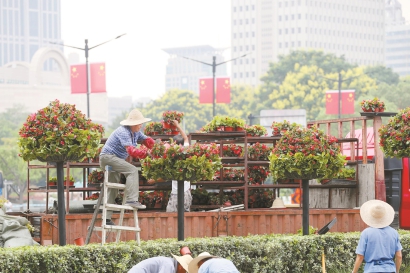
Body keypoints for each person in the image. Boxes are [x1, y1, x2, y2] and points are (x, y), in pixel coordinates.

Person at [99, 109, 151, 225]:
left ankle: (106, 218)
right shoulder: (123, 131)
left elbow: (146, 140)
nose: (141, 125)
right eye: (139, 123)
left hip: (114, 159)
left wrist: (156, 145)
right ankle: (132, 200)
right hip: (107, 158)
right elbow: (131, 151)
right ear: (132, 124)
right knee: (132, 170)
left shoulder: (136, 132)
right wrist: (146, 153)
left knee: (113, 188)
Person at [351, 199, 402, 273]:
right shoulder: (394, 233)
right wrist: (397, 271)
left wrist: (354, 272)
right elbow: (399, 256)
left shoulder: (366, 233)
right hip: (390, 269)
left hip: (371, 270)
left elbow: (360, 256)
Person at [166, 120, 192, 212]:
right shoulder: (185, 153)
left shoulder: (171, 156)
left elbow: (185, 139)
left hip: (176, 193)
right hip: (185, 192)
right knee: (185, 217)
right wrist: (177, 125)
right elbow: (185, 138)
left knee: (170, 215)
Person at [127, 247, 193, 273]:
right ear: (181, 266)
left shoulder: (171, 264)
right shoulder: (169, 265)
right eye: (185, 271)